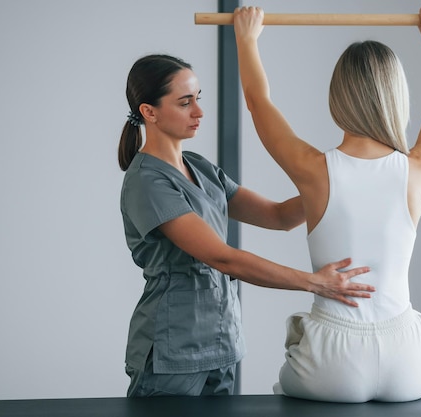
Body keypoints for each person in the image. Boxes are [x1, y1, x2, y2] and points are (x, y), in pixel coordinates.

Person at [118, 54, 376, 397]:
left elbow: (279, 217)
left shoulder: (200, 167)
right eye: (184, 102)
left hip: (221, 341)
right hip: (172, 349)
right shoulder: (147, 182)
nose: (199, 111)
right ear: (149, 111)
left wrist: (336, 180)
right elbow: (222, 258)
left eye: (198, 98)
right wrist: (314, 283)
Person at [233, 6, 421, 403]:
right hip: (407, 363)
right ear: (396, 97)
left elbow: (257, 101)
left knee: (287, 381)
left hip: (331, 364)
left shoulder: (314, 169)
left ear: (337, 97)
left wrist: (246, 38)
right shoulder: (418, 168)